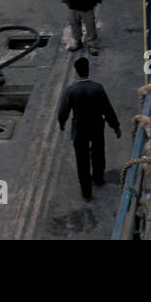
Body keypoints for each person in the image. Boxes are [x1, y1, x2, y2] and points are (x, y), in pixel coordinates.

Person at [57, 56, 121, 201]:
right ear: (88, 69)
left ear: (76, 71)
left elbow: (63, 111)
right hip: (97, 127)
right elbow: (107, 109)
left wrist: (62, 123)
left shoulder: (71, 90)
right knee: (98, 153)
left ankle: (86, 192)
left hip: (79, 129)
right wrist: (115, 126)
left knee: (82, 160)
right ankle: (98, 178)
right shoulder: (97, 88)